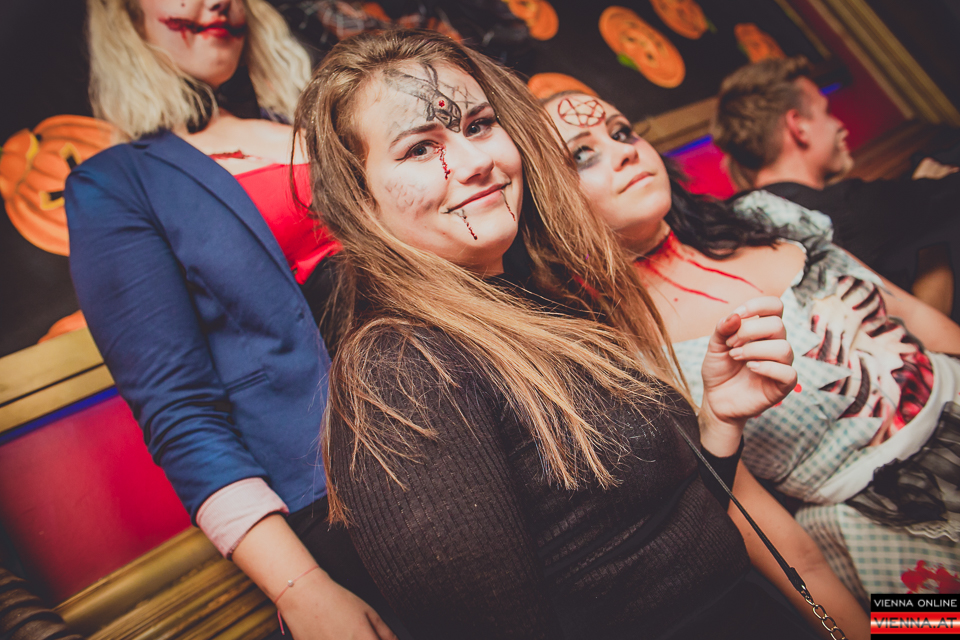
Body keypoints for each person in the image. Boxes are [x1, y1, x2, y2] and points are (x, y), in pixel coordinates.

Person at [296, 28, 864, 640]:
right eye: (418, 148)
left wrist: (719, 423)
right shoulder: (399, 369)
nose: (474, 161)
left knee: (925, 618)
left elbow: (669, 538)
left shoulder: (537, 306)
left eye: (479, 125)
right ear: (360, 202)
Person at [545, 89, 960, 604]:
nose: (625, 151)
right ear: (547, 203)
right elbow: (778, 542)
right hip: (887, 533)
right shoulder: (629, 359)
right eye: (583, 154)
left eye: (622, 132)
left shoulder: (764, 216)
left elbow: (916, 317)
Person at [64, 1, 400, 638]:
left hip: (475, 401)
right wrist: (301, 588)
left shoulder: (321, 121)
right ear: (128, 20)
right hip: (347, 489)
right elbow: (178, 409)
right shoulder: (118, 183)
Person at [712, 56, 960, 321]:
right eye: (826, 111)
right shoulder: (846, 208)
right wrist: (924, 201)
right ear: (798, 126)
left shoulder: (735, 226)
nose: (839, 124)